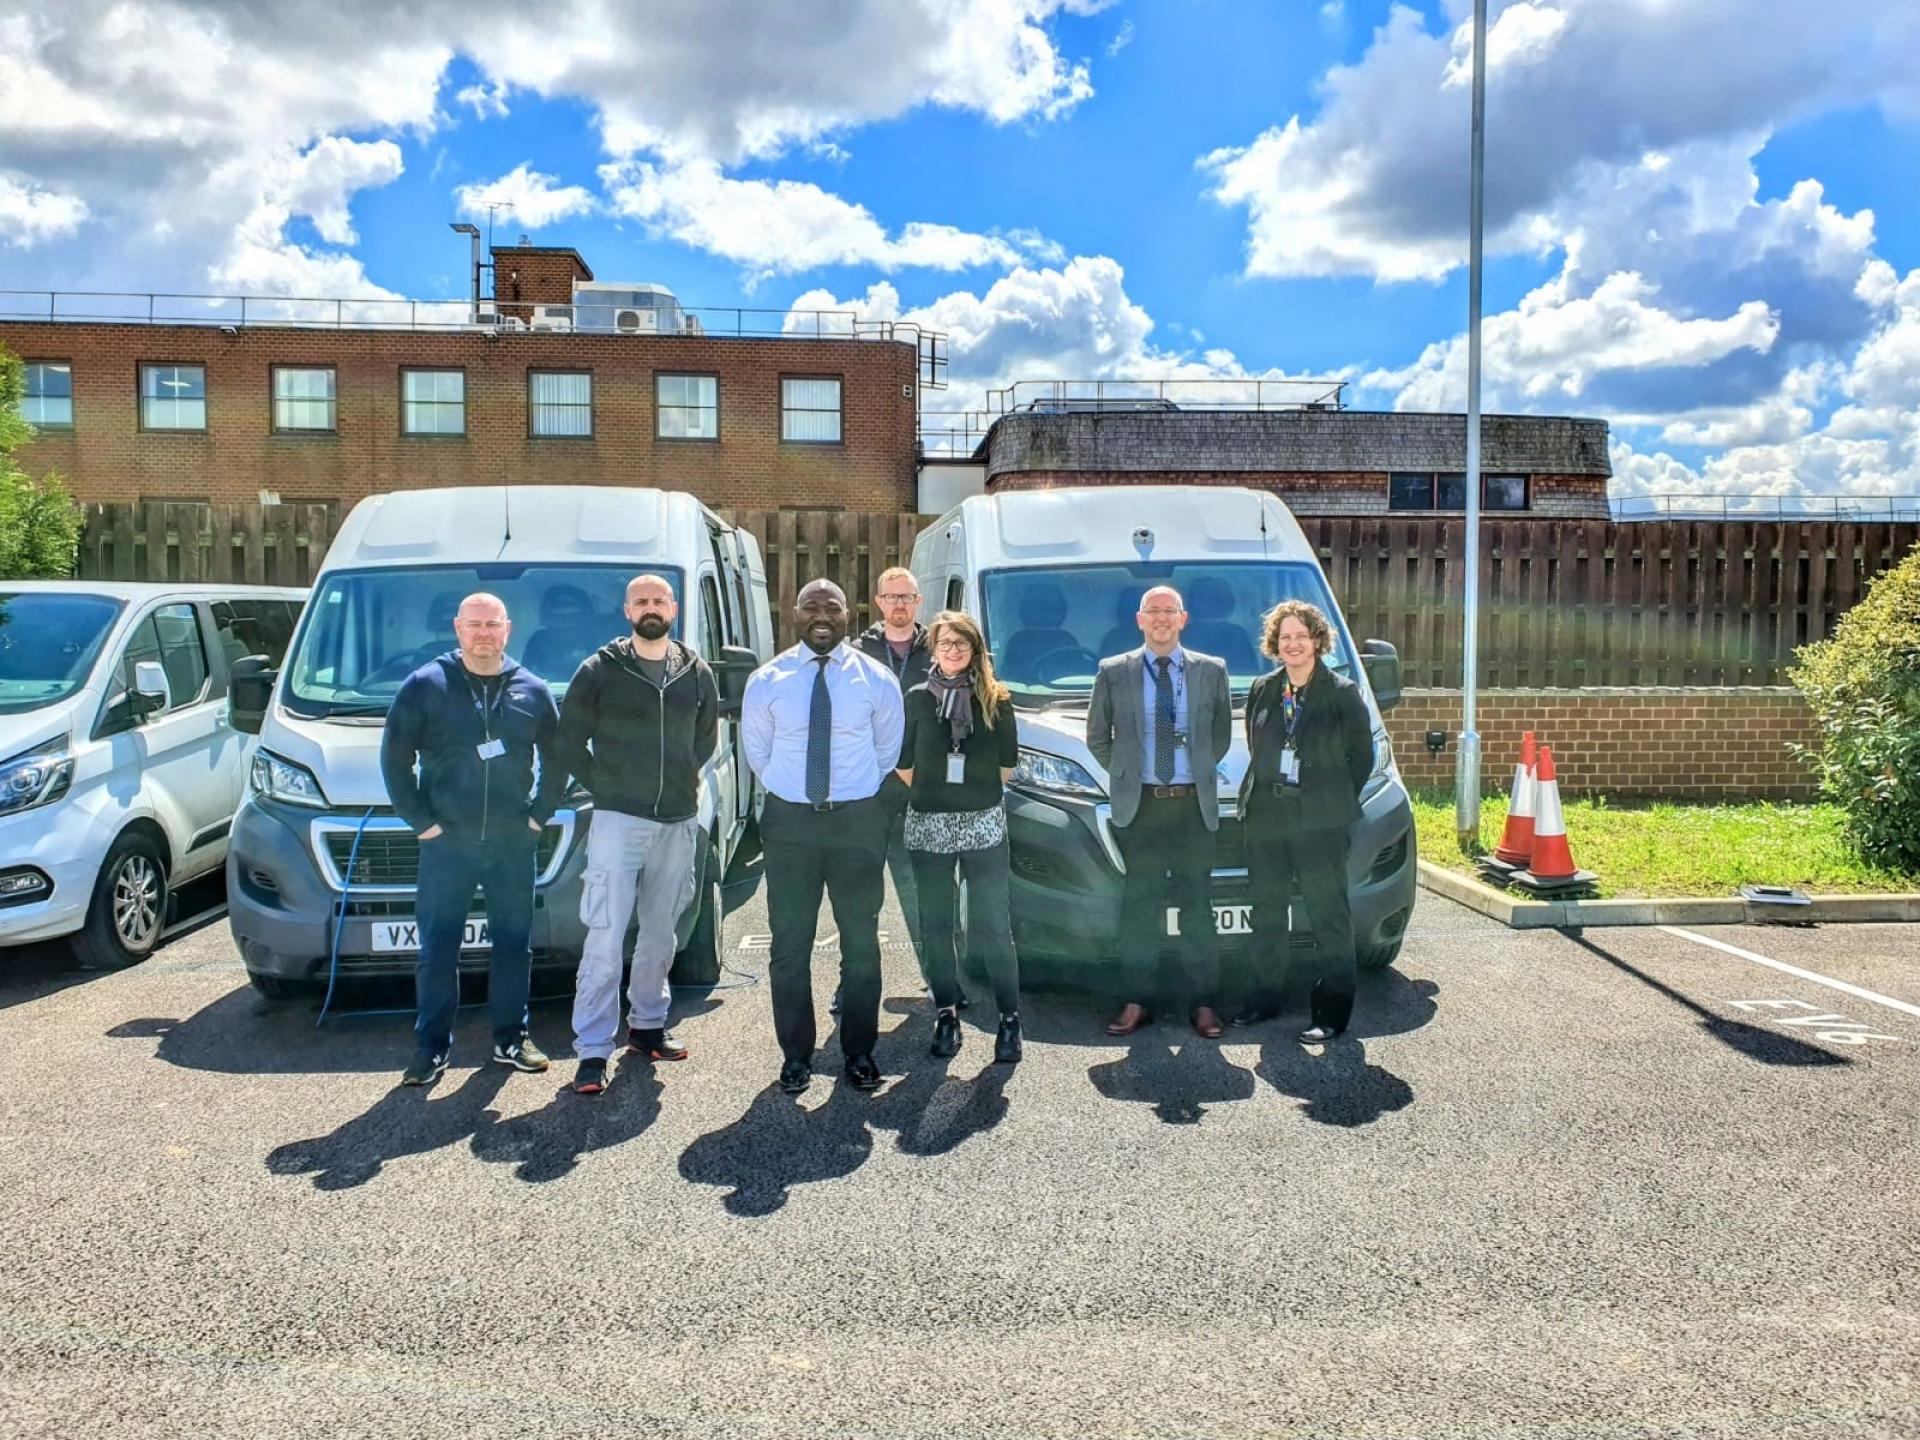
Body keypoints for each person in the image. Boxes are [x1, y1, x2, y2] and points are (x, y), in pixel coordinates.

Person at [380, 592, 565, 1087]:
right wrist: (423, 825)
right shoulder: (425, 686)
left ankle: (510, 1039)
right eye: (475, 624)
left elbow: (558, 759)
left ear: (509, 629)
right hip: (447, 845)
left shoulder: (532, 690)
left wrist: (537, 818)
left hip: (511, 844)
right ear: (458, 629)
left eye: (493, 624)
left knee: (512, 946)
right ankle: (431, 1048)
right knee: (438, 949)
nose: (484, 633)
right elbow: (395, 762)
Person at [555, 574, 720, 1096]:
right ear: (627, 610)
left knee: (660, 933)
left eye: (659, 600)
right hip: (617, 821)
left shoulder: (695, 671)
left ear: (672, 607)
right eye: (641, 601)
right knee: (604, 934)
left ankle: (648, 1025)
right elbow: (567, 742)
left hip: (676, 821)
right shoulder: (600, 670)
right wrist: (607, 784)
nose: (651, 607)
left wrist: (679, 781)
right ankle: (592, 1049)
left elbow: (706, 739)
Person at [741, 578, 905, 1095]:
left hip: (856, 823)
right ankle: (796, 1056)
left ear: (847, 614)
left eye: (831, 606)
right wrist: (797, 795)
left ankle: (858, 1052)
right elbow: (758, 754)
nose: (821, 614)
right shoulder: (767, 680)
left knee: (861, 943)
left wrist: (849, 796)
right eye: (811, 605)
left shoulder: (876, 680)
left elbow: (887, 752)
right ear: (794, 614)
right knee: (790, 946)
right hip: (790, 825)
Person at [1085, 586, 1231, 1039]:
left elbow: (1220, 734)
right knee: (1140, 906)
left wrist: (1197, 771)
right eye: (1154, 612)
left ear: (1184, 619)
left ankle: (1203, 1003)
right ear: (1139, 620)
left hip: (1193, 808)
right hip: (1142, 807)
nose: (1162, 619)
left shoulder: (1211, 670)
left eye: (1170, 611)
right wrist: (1128, 774)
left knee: (1197, 906)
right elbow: (1097, 737)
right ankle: (1137, 1001)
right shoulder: (1114, 671)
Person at [1236, 599, 1375, 1044]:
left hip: (1320, 821)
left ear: (1317, 640)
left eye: (1301, 636)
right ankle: (1263, 999)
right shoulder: (1263, 688)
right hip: (1268, 817)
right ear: (1275, 644)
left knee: (1327, 915)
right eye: (1285, 637)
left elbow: (1362, 758)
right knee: (1267, 912)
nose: (1292, 644)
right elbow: (1256, 744)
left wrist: (1331, 800)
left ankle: (1332, 1014)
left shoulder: (1341, 692)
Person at [896, 611, 1023, 1063]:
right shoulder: (915, 699)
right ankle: (946, 1013)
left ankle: (1009, 1020)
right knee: (936, 925)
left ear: (975, 651)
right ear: (934, 647)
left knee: (993, 927)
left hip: (983, 823)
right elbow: (904, 761)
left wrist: (972, 795)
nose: (953, 651)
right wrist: (935, 794)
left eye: (962, 644)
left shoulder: (997, 699)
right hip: (929, 823)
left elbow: (1007, 763)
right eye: (945, 643)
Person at [850, 565, 943, 1006]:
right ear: (879, 602)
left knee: (923, 892)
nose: (900, 605)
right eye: (892, 597)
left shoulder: (939, 650)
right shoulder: (856, 652)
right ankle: (853, 985)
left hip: (921, 788)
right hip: (869, 789)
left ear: (918, 603)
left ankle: (939, 982)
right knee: (860, 897)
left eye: (907, 597)